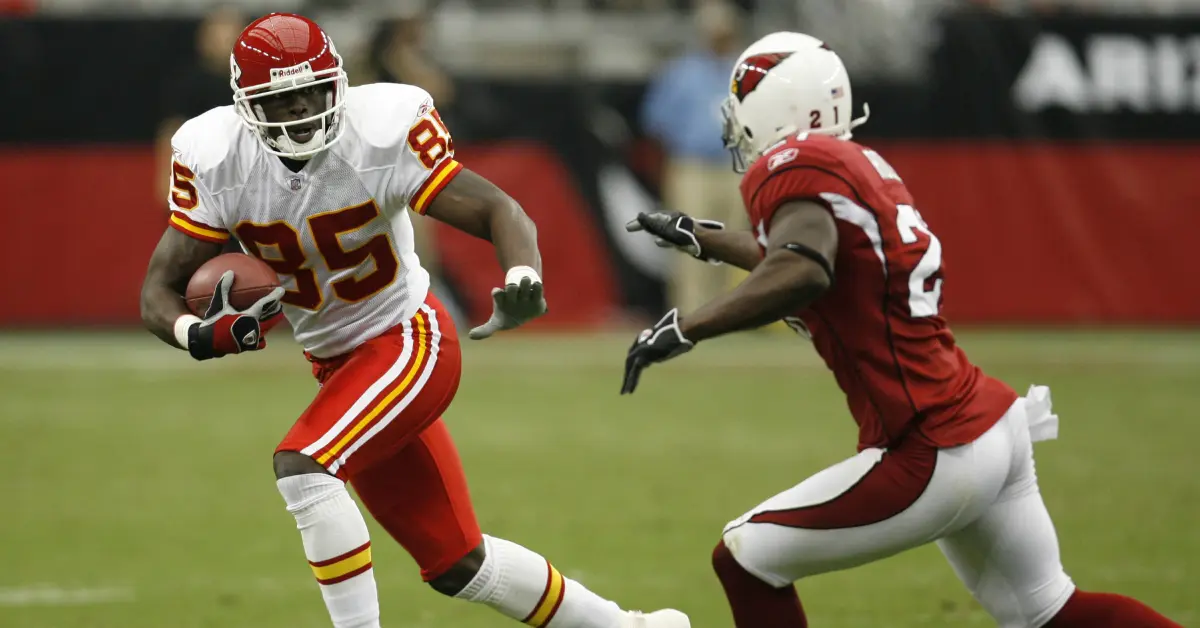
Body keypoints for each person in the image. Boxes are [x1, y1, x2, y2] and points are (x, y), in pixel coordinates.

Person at [139, 13, 688, 628]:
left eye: (313, 91)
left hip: (408, 339)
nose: (300, 110)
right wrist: (199, 333)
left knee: (304, 467)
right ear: (246, 106)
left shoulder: (381, 130)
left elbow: (499, 210)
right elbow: (158, 290)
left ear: (339, 84)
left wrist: (524, 275)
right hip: (338, 366)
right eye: (280, 98)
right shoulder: (214, 156)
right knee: (460, 565)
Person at [621, 31, 1182, 628]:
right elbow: (810, 258)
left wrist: (690, 325)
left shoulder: (794, 165)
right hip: (988, 422)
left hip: (932, 445)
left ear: (777, 109)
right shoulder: (860, 163)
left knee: (744, 557)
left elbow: (804, 268)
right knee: (1052, 610)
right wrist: (702, 238)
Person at [639, 0, 745, 314]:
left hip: (733, 167)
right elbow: (654, 120)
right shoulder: (682, 73)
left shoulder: (742, 72)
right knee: (690, 240)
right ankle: (689, 312)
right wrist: (684, 142)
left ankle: (726, 311)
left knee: (733, 242)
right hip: (693, 167)